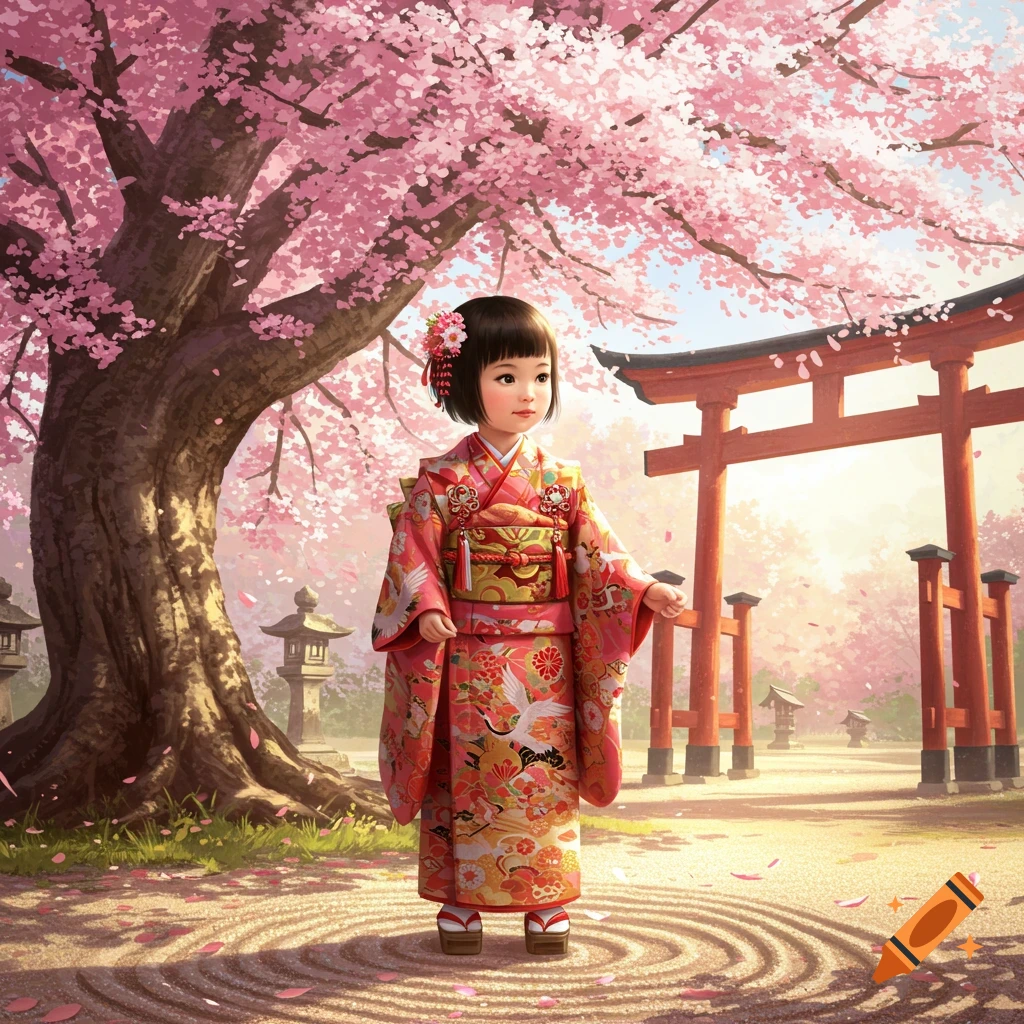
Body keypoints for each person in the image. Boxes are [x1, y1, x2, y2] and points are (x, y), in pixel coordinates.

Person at [370, 295, 687, 956]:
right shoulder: (443, 482)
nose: (528, 393)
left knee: (543, 770)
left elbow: (602, 557)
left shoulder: (562, 483)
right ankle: (462, 902)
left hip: (548, 660)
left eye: (540, 376)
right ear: (463, 383)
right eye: (507, 377)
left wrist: (644, 588)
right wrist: (427, 606)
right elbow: (414, 559)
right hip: (467, 660)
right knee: (469, 774)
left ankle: (547, 900)